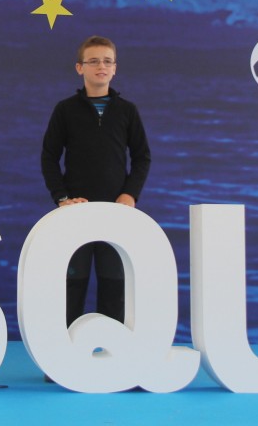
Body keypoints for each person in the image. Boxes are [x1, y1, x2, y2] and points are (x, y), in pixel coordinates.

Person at [40, 35, 152, 326]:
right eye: (93, 61)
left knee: (113, 283)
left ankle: (111, 351)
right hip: (76, 212)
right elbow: (49, 157)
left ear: (114, 68)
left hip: (115, 212)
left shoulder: (127, 111)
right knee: (72, 284)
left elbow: (142, 157)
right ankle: (64, 351)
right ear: (80, 68)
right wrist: (63, 198)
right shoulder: (65, 110)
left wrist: (129, 195)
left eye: (107, 61)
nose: (101, 66)